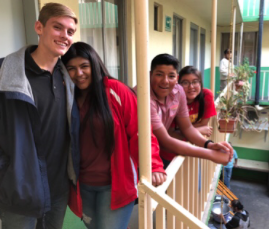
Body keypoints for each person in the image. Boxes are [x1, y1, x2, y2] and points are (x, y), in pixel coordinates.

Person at [61, 42, 166, 229]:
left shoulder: (115, 90)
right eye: (71, 68)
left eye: (84, 66)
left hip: (115, 186)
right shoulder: (67, 96)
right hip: (82, 186)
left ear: (94, 64)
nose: (79, 73)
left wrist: (155, 165)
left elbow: (140, 132)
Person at [0, 3, 79, 229]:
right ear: (39, 27)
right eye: (57, 27)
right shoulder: (4, 73)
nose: (64, 36)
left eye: (70, 32)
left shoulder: (68, 79)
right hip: (18, 189)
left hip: (58, 189)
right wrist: (5, 171)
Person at [139, 54, 233, 168]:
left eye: (171, 76)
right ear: (150, 75)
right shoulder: (143, 98)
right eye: (159, 74)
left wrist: (210, 145)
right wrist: (211, 154)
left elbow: (187, 128)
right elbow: (165, 139)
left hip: (157, 154)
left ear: (176, 78)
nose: (165, 81)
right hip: (138, 156)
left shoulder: (178, 91)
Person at [177, 65, 216, 137]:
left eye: (195, 82)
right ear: (179, 85)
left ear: (200, 83)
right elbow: (172, 132)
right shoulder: (174, 100)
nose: (191, 87)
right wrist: (199, 130)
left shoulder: (206, 95)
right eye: (185, 83)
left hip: (195, 140)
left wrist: (182, 130)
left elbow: (203, 124)